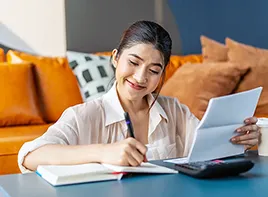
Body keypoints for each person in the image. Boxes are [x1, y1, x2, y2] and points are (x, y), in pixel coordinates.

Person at [18, 20, 260, 173]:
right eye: (133, 62)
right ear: (115, 58)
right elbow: (30, 156)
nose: (141, 77)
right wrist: (103, 152)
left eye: (154, 71)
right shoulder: (84, 115)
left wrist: (241, 140)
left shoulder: (175, 111)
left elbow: (207, 152)